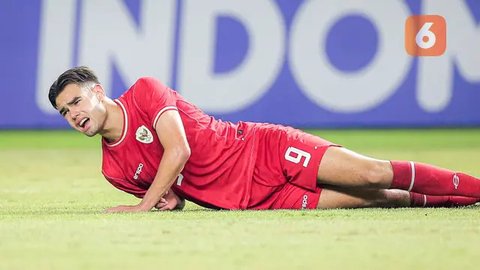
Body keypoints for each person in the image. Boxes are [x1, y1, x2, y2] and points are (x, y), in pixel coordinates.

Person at [48, 66, 480, 213]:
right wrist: (164, 202)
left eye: (76, 102)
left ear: (98, 92)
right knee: (376, 197)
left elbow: (178, 150)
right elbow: (176, 198)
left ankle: (474, 189)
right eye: (65, 112)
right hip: (249, 200)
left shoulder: (145, 91)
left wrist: (143, 205)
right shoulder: (112, 168)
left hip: (261, 149)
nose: (74, 115)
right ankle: (463, 203)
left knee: (370, 173)